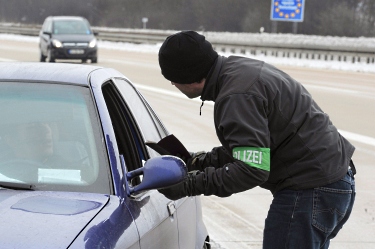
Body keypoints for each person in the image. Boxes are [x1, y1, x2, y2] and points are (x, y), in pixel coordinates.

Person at [157, 30, 356, 249]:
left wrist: (189, 185)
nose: (173, 84)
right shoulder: (237, 71)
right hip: (331, 181)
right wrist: (203, 161)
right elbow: (256, 146)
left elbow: (253, 168)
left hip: (310, 189)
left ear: (189, 76)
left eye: (172, 79)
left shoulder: (236, 96)